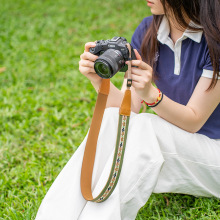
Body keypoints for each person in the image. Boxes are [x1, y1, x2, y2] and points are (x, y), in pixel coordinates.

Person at [35, 0, 220, 219]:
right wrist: (99, 81)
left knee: (146, 127)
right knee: (113, 119)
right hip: (183, 153)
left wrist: (151, 95)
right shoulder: (149, 30)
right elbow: (127, 109)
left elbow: (194, 121)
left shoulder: (215, 38)